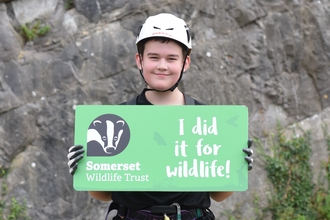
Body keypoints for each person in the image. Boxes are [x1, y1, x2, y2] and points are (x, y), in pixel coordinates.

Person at [67, 13, 254, 220]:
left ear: (186, 62)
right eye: (154, 57)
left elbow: (219, 195)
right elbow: (102, 194)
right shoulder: (115, 120)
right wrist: (84, 166)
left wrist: (237, 164)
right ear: (140, 60)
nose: (162, 66)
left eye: (171, 58)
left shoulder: (208, 121)